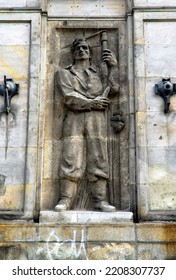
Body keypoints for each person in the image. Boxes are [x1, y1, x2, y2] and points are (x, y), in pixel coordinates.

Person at [54, 38, 119, 211]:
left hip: (97, 119)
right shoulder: (64, 73)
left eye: (85, 47)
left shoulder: (100, 72)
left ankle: (100, 200)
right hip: (74, 117)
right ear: (73, 53)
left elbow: (114, 89)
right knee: (70, 157)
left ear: (90, 52)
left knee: (99, 158)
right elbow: (68, 96)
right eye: (78, 48)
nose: (82, 50)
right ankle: (65, 199)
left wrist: (113, 67)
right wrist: (92, 103)